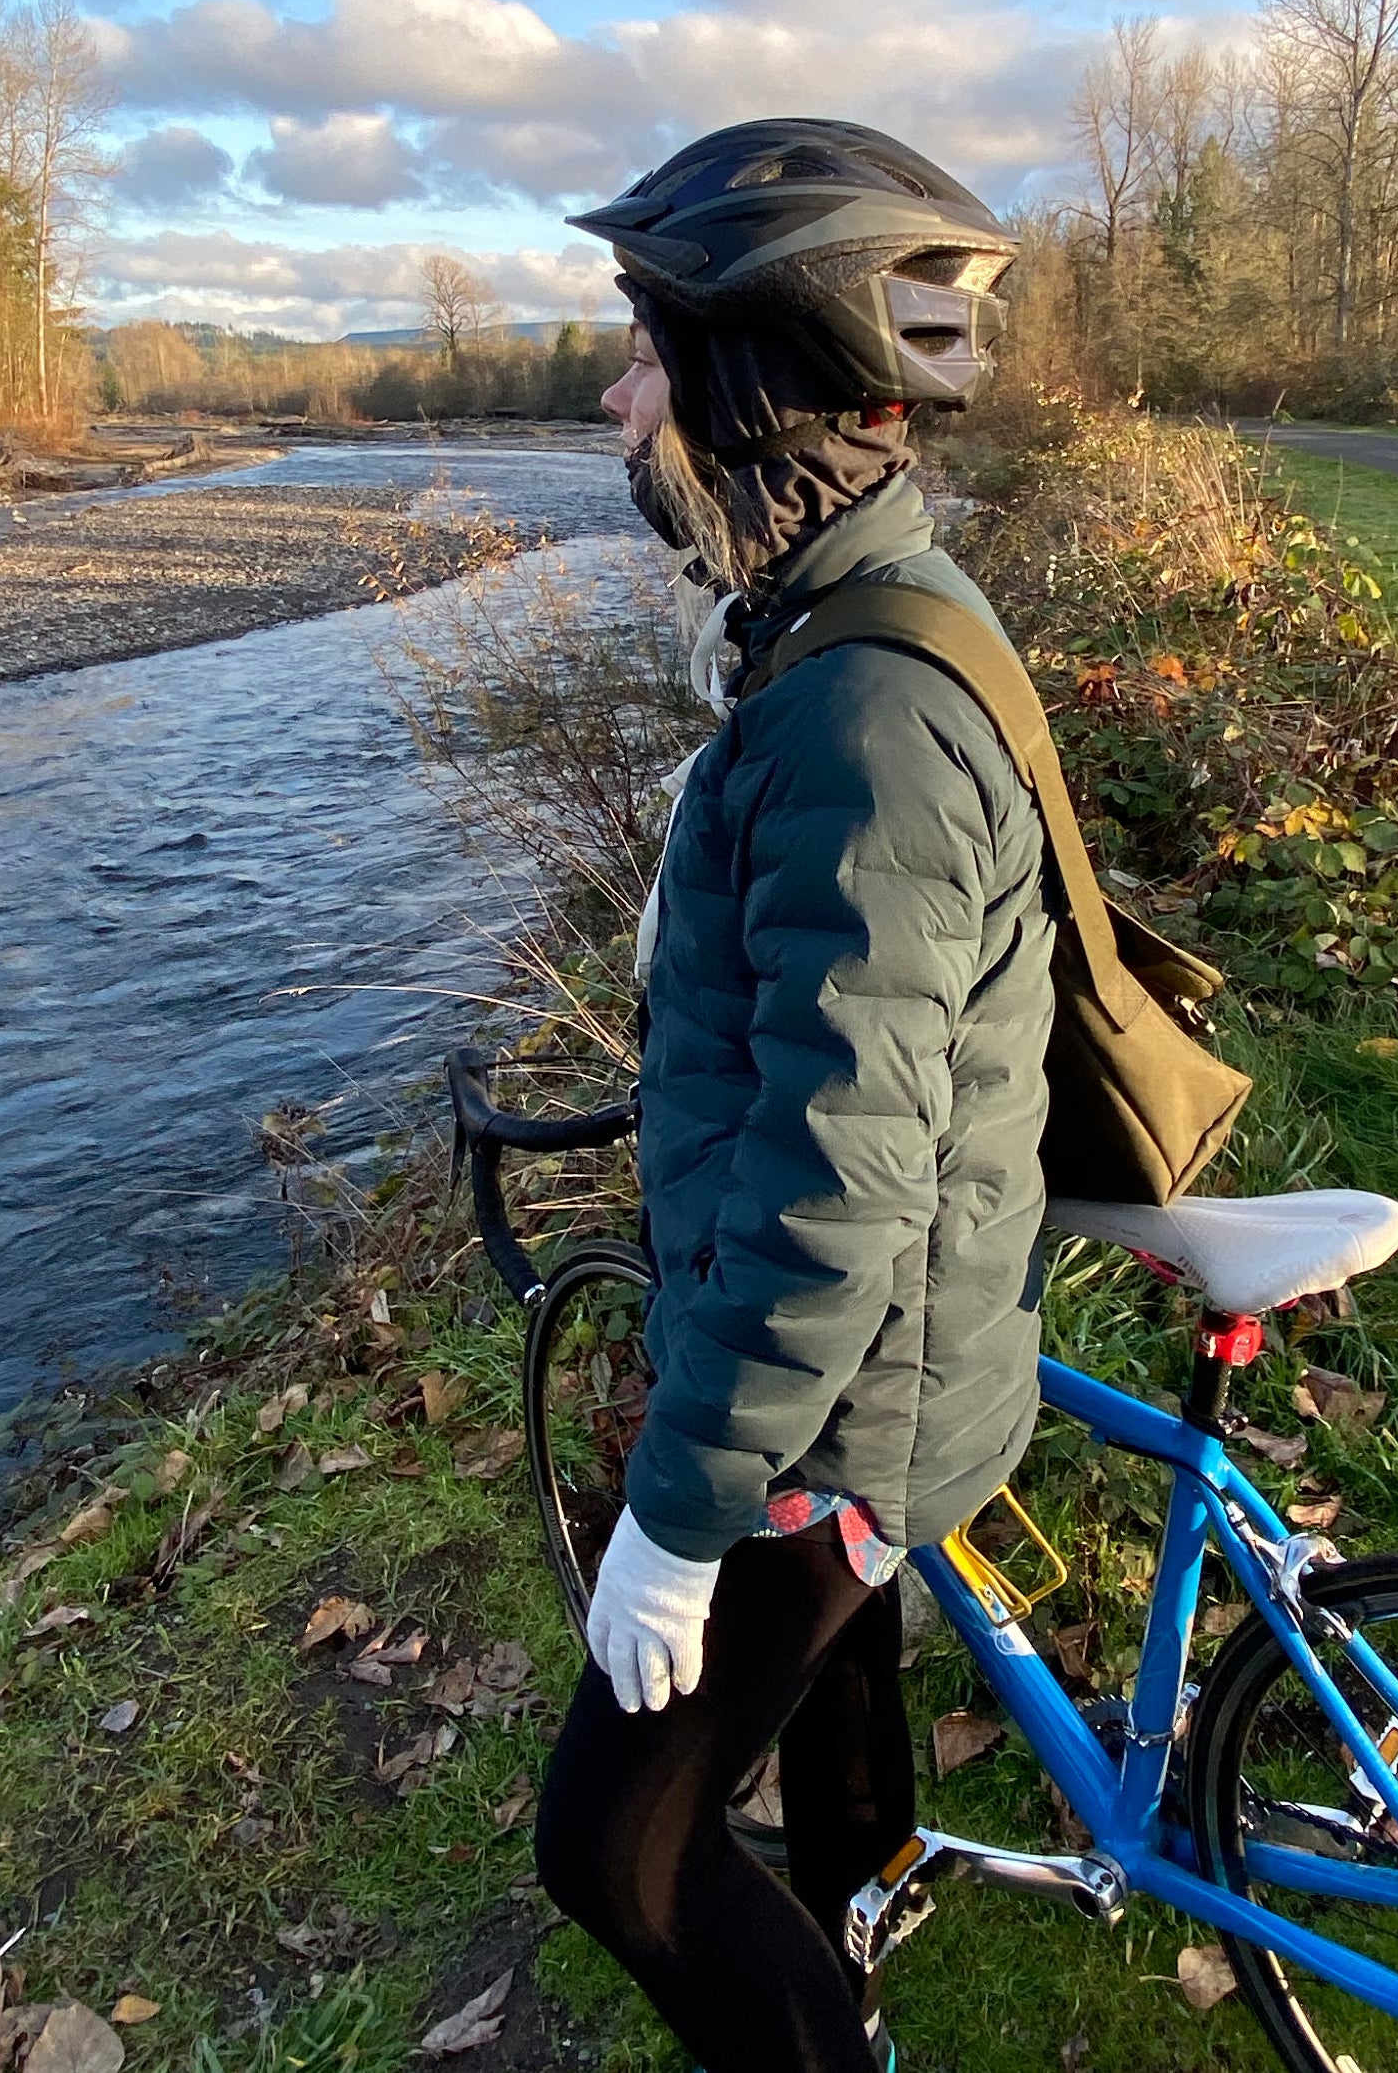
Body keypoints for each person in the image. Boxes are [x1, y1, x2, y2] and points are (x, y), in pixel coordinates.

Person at [530, 121, 1054, 2073]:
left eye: (647, 348)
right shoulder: (852, 623)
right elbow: (826, 1043)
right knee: (830, 1712)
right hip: (883, 1383)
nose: (618, 386)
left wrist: (676, 1518)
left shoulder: (863, 714)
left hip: (835, 1405)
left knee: (621, 1853)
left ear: (744, 381)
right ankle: (855, 1946)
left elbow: (838, 1185)